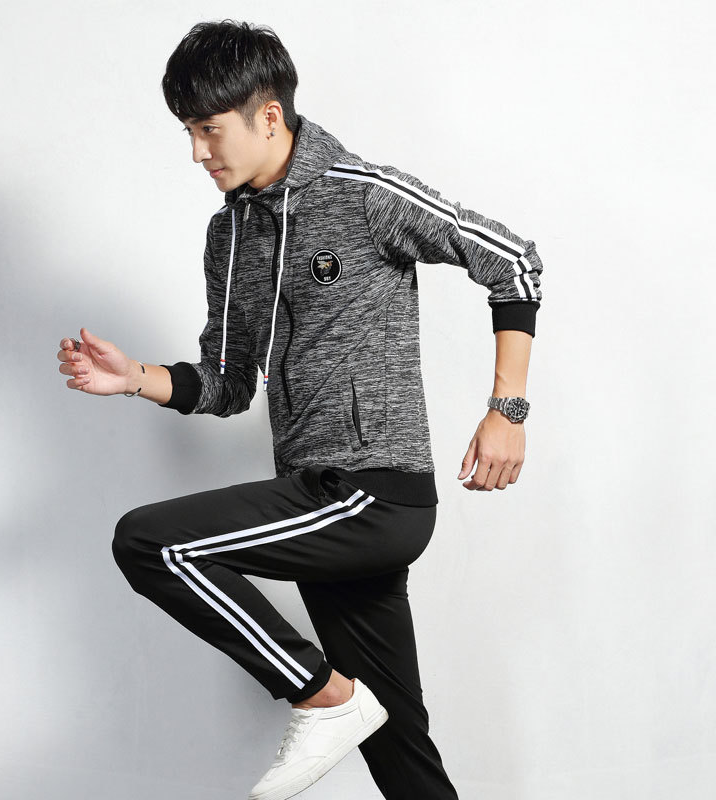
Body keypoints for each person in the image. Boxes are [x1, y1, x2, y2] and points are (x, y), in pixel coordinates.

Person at [55, 18, 542, 800]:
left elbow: (512, 261)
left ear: (269, 116)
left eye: (209, 130)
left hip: (374, 493)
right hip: (319, 502)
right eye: (188, 133)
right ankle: (349, 708)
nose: (197, 152)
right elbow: (226, 382)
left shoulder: (365, 195)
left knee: (152, 543)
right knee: (402, 753)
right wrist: (135, 377)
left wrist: (506, 410)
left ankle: (325, 698)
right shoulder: (231, 235)